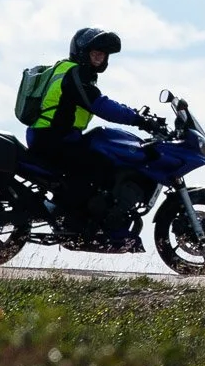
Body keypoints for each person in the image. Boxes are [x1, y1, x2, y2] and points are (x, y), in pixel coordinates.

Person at [26, 28, 167, 231]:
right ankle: (61, 214)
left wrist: (138, 117)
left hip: (58, 136)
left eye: (103, 54)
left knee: (98, 157)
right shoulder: (74, 73)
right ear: (82, 53)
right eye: (95, 53)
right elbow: (100, 105)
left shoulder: (75, 73)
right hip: (51, 138)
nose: (99, 58)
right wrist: (138, 119)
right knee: (96, 166)